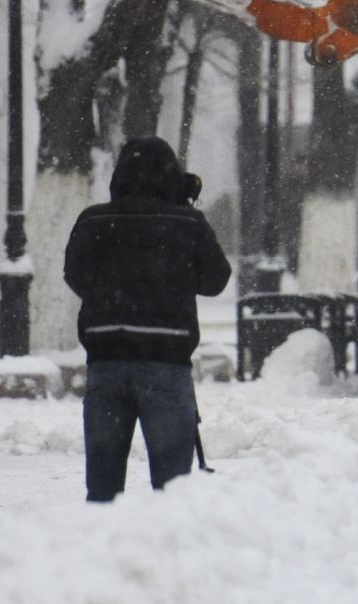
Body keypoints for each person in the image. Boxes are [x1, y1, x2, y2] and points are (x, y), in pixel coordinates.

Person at [64, 136, 232, 501]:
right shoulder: (188, 223)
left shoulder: (94, 221)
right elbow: (216, 280)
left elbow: (76, 275)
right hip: (166, 363)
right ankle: (167, 555)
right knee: (172, 491)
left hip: (106, 364)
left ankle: (99, 551)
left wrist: (114, 296)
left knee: (103, 491)